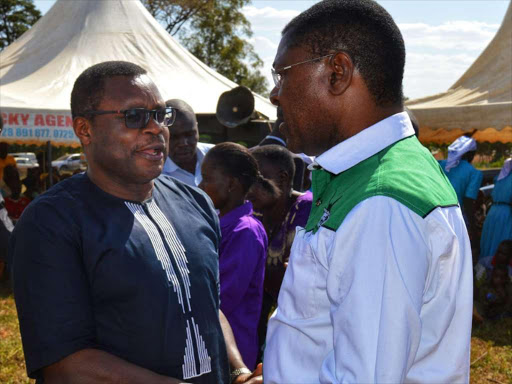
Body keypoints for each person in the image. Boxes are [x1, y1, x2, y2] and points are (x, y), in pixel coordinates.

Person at [10, 61, 261, 384]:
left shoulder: (196, 202)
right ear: (85, 130)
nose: (155, 128)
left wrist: (239, 372)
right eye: (134, 116)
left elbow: (209, 307)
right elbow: (64, 365)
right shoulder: (51, 223)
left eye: (160, 115)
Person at [263, 1, 473, 383]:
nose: (275, 93)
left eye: (282, 74)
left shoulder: (380, 201)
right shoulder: (372, 174)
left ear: (337, 73)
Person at [199, 142, 267, 371]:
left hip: (232, 350)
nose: (200, 185)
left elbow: (222, 298)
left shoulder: (245, 231)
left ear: (230, 184)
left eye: (207, 179)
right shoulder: (221, 225)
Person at [248, 145, 312, 353]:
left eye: (257, 178)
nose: (248, 187)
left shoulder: (306, 209)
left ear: (282, 179)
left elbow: (293, 279)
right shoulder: (253, 214)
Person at [161, 99, 213, 187]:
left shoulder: (217, 156)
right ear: (162, 135)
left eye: (189, 134)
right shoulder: (156, 174)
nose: (183, 143)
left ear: (197, 128)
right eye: (174, 137)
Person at [439, 135, 483, 237]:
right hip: (457, 219)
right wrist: (473, 227)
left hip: (436, 216)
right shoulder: (474, 173)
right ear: (470, 154)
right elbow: (468, 202)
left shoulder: (440, 164)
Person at [480, 158, 512, 265]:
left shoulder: (500, 178)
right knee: (502, 243)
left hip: (492, 213)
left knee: (490, 242)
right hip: (506, 214)